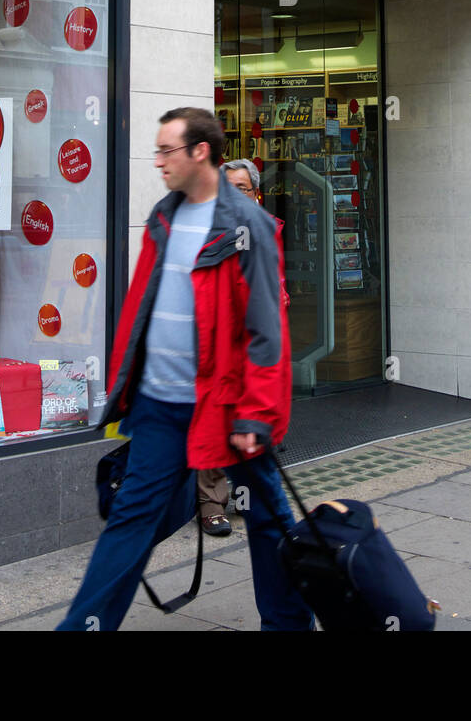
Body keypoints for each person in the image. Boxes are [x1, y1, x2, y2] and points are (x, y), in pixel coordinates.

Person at [56, 108, 314, 632]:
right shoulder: (164, 217)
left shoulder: (248, 226)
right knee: (129, 520)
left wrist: (258, 414)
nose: (158, 161)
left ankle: (289, 624)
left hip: (226, 407)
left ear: (201, 152)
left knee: (268, 519)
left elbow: (267, 331)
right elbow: (143, 308)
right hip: (161, 404)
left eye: (166, 150)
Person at [193, 159, 265, 537]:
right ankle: (211, 505)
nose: (234, 195)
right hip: (221, 347)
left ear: (256, 194)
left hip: (256, 349)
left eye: (242, 188)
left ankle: (246, 501)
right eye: (228, 188)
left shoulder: (266, 232)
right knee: (216, 423)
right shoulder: (212, 231)